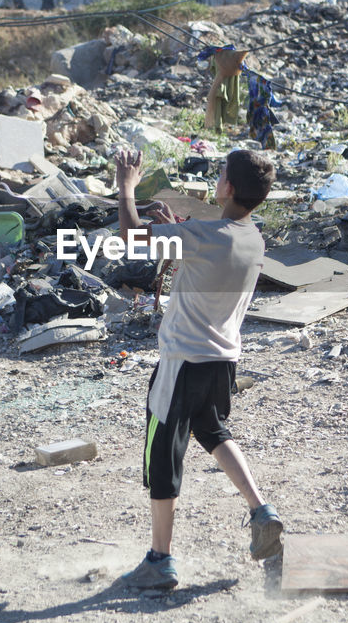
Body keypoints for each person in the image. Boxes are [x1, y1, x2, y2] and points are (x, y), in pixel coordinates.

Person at [113, 146, 283, 591]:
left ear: (227, 187)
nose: (218, 176)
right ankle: (261, 509)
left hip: (182, 363)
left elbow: (131, 236)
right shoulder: (252, 239)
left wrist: (126, 187)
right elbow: (205, 252)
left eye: (222, 171)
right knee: (213, 432)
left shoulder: (204, 236)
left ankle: (160, 560)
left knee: (162, 455)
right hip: (223, 361)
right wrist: (177, 230)